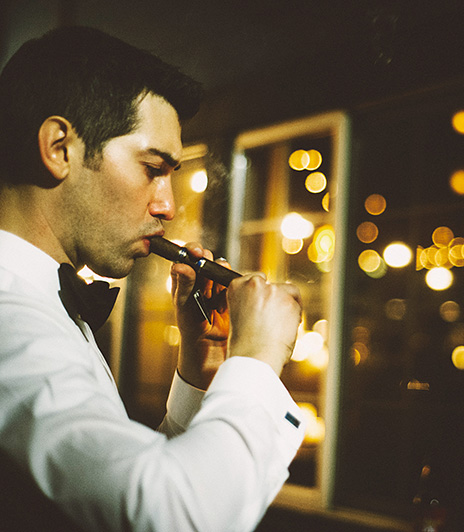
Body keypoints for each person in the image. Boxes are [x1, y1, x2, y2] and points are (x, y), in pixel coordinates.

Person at [0, 26, 306, 531]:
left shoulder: (43, 305)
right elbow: (172, 515)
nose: (167, 205)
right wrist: (255, 361)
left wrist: (201, 367)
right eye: (152, 168)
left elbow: (118, 497)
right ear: (59, 148)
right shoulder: (10, 321)